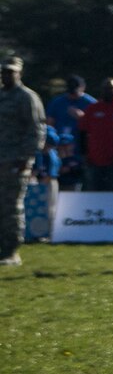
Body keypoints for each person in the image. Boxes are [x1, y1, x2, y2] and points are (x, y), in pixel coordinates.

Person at [0, 55, 47, 268]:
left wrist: (26, 158)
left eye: (11, 71)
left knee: (11, 207)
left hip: (14, 162)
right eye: (4, 71)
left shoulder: (26, 97)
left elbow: (36, 130)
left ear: (19, 73)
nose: (6, 75)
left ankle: (11, 251)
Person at [46, 75, 94, 142]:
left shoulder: (91, 103)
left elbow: (97, 126)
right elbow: (49, 123)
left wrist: (83, 118)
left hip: (81, 142)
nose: (72, 96)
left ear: (83, 88)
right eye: (71, 92)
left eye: (75, 93)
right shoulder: (57, 102)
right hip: (60, 143)